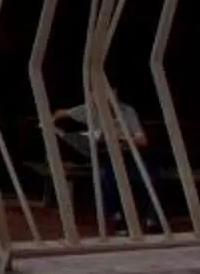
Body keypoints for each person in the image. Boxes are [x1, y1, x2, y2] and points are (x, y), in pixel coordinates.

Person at [54, 89, 150, 235]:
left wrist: (123, 140)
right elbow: (61, 112)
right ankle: (117, 217)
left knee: (149, 177)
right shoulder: (90, 109)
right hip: (106, 156)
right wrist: (48, 123)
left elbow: (142, 140)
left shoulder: (127, 111)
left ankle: (149, 218)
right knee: (105, 179)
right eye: (96, 99)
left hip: (129, 154)